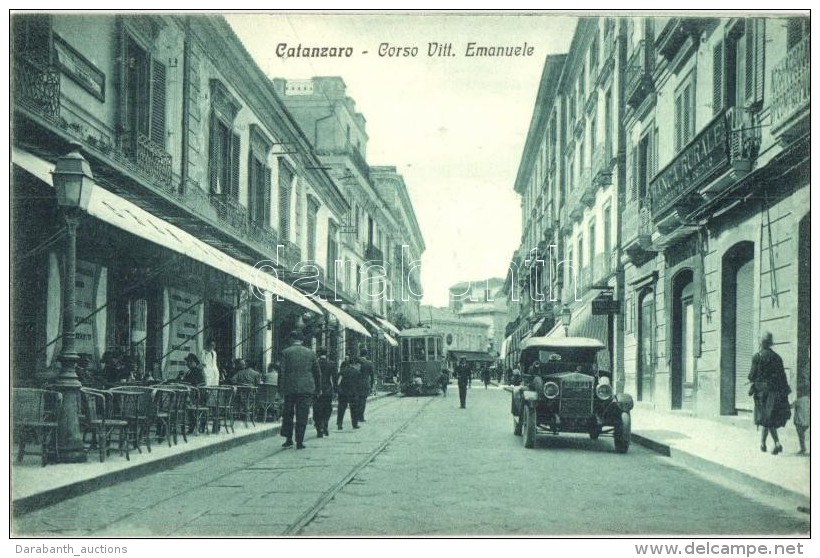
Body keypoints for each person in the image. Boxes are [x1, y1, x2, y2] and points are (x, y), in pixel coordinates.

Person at [748, 331, 791, 455]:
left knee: (766, 419)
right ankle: (763, 443)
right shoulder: (777, 357)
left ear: (761, 342)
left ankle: (777, 443)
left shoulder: (757, 357)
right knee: (768, 418)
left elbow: (751, 375)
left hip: (762, 394)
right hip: (775, 392)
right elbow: (783, 377)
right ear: (770, 343)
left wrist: (753, 380)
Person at [278, 331, 320, 449]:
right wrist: (318, 388)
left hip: (289, 388)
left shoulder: (285, 352)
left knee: (288, 414)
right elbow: (317, 373)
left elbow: (281, 372)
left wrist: (280, 389)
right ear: (302, 340)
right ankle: (300, 441)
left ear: (292, 339)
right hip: (306, 389)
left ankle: (288, 439)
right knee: (302, 415)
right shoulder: (311, 353)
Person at [313, 348, 337, 438]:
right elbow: (334, 379)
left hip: (316, 389)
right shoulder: (331, 364)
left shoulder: (315, 363)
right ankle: (325, 424)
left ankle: (319, 428)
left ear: (318, 354)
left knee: (317, 409)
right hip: (327, 389)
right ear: (326, 354)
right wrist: (335, 391)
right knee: (327, 408)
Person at [337, 354, 362, 430]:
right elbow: (359, 384)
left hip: (343, 393)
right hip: (353, 393)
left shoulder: (343, 371)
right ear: (354, 364)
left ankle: (339, 424)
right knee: (354, 409)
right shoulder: (357, 373)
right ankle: (354, 424)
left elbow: (338, 382)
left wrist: (339, 390)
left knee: (341, 409)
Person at [357, 349, 374, 423]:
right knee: (363, 400)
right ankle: (361, 416)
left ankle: (356, 416)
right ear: (366, 355)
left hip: (356, 384)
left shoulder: (357, 362)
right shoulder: (369, 363)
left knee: (357, 400)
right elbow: (372, 375)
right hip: (365, 384)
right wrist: (371, 385)